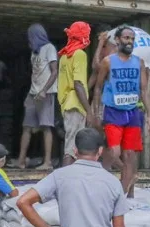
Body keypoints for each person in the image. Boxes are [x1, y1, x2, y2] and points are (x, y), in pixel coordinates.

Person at [93, 26, 150, 195]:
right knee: (114, 152)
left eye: (132, 39)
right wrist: (97, 112)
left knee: (129, 156)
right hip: (113, 112)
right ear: (118, 40)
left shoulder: (139, 62)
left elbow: (144, 90)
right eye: (127, 38)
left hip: (133, 113)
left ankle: (121, 194)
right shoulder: (108, 61)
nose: (130, 41)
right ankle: (117, 183)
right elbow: (98, 88)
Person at [17, 24, 59, 171]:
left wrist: (44, 90)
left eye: (30, 35)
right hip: (33, 93)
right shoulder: (34, 52)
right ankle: (21, 161)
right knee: (26, 127)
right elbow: (34, 76)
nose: (28, 38)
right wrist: (29, 95)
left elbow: (54, 72)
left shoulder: (49, 48)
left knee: (46, 127)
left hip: (45, 94)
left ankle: (47, 162)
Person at [57, 21, 94, 167]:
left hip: (66, 103)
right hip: (76, 104)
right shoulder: (79, 54)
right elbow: (78, 84)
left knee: (72, 144)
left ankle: (69, 179)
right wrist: (89, 111)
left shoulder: (65, 56)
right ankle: (66, 181)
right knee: (71, 147)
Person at [88, 28, 117, 96]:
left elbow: (98, 67)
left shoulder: (114, 49)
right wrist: (86, 90)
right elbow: (95, 69)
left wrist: (101, 44)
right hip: (103, 88)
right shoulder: (103, 48)